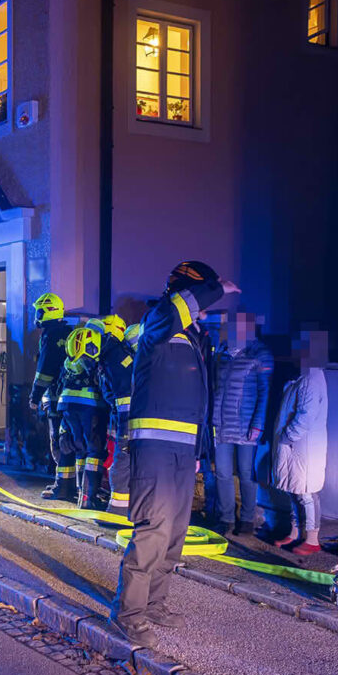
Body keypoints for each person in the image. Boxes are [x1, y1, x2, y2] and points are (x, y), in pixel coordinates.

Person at [110, 261, 239, 647]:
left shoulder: (193, 335)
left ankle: (154, 604)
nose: (205, 308)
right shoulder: (159, 320)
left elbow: (200, 400)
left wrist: (199, 451)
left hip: (183, 452)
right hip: (154, 450)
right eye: (198, 298)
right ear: (184, 291)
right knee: (153, 529)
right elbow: (179, 307)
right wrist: (218, 287)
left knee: (175, 534)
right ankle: (128, 613)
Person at [207, 312, 274, 535]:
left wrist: (257, 425)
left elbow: (265, 393)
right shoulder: (223, 354)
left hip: (246, 426)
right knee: (223, 473)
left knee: (246, 474)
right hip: (223, 425)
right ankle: (226, 519)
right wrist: (214, 421)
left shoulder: (259, 354)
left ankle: (246, 519)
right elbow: (217, 389)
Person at [271, 330, 329, 554]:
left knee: (306, 492)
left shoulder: (311, 379)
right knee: (293, 489)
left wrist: (287, 436)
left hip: (302, 447)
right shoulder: (305, 376)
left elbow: (304, 415)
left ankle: (312, 539)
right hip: (297, 447)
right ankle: (294, 534)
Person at [29, 293, 75, 500]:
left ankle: (62, 487)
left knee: (58, 442)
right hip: (73, 398)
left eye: (39, 311)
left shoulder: (50, 336)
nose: (37, 315)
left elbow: (45, 371)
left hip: (56, 397)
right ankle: (71, 485)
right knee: (70, 440)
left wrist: (34, 396)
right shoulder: (69, 332)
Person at [58, 324, 108, 509]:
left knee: (80, 449)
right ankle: (89, 499)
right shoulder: (92, 359)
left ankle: (82, 495)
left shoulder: (70, 360)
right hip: (90, 406)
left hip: (67, 405)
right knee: (94, 451)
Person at [94, 315, 133, 516]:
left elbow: (124, 395)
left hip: (125, 421)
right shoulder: (111, 355)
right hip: (119, 418)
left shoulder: (115, 356)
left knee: (120, 463)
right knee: (115, 459)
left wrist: (124, 431)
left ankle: (118, 511)